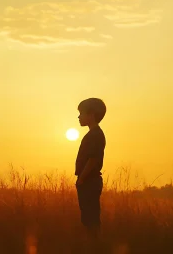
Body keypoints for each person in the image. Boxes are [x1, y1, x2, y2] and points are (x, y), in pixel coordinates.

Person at [75, 98, 106, 250]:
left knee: (91, 218)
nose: (79, 117)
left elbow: (93, 159)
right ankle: (93, 247)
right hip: (88, 181)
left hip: (89, 181)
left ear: (91, 115)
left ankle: (95, 247)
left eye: (81, 113)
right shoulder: (93, 134)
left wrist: (82, 179)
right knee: (88, 218)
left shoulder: (95, 135)